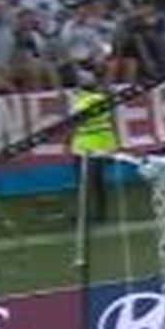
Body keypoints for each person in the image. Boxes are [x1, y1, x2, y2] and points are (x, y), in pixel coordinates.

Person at [70, 74, 117, 223]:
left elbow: (74, 124)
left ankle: (83, 215)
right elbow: (112, 120)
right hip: (104, 144)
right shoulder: (103, 99)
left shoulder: (80, 103)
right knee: (98, 182)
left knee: (84, 184)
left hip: (84, 146)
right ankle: (101, 214)